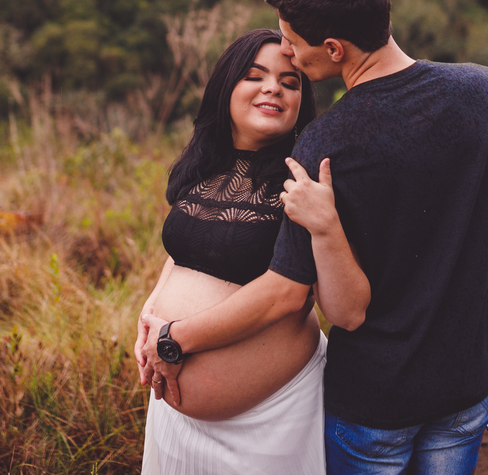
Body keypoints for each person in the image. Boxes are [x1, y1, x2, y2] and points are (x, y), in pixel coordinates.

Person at [143, 0, 488, 475]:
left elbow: (332, 305)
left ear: (332, 48)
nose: (287, 52)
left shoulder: (325, 146)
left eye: (291, 44)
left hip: (373, 397)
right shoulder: (486, 90)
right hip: (462, 383)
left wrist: (175, 338)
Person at [134, 28, 366, 475]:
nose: (273, 88)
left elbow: (290, 294)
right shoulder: (201, 167)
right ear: (226, 88)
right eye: (254, 76)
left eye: (290, 81)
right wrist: (151, 319)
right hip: (174, 413)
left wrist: (174, 339)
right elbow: (183, 254)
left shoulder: (307, 179)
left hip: (271, 420)